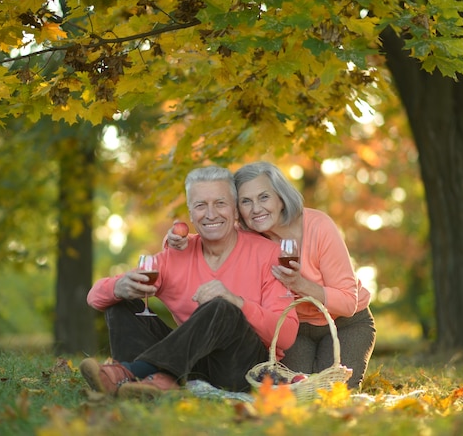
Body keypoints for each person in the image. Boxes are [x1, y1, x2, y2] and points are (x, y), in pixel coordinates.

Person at [80, 166, 298, 398]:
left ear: (236, 211)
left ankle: (129, 373)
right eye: (201, 205)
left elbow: (286, 336)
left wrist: (237, 302)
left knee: (222, 306)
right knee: (120, 301)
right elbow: (95, 298)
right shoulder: (175, 255)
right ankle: (156, 382)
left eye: (220, 203)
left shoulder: (269, 254)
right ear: (191, 214)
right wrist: (118, 287)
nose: (211, 214)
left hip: (241, 368)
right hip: (189, 364)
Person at [168, 161, 375, 390]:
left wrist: (300, 284)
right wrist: (176, 241)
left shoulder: (319, 226)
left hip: (345, 322)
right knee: (292, 389)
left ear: (280, 197)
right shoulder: (248, 235)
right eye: (246, 201)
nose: (256, 209)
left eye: (264, 197)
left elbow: (347, 302)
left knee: (334, 389)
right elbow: (209, 232)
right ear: (238, 209)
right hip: (294, 331)